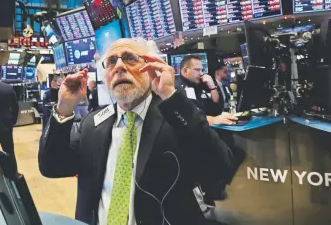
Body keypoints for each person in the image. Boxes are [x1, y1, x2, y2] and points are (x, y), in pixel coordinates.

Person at [38, 38, 233, 225]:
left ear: (153, 68)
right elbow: (52, 166)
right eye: (111, 61)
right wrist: (64, 108)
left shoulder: (176, 118)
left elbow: (220, 168)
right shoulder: (92, 123)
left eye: (130, 58)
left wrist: (170, 95)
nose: (119, 67)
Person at [176, 55, 237, 126]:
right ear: (185, 71)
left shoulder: (200, 84)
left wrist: (212, 87)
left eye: (202, 70)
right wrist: (214, 120)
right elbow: (190, 116)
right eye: (197, 70)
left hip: (211, 128)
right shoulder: (177, 89)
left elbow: (216, 108)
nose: (201, 73)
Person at [0, 68, 19, 171]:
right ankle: (14, 173)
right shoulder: (8, 88)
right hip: (6, 125)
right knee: (9, 151)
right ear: (0, 76)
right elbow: (15, 107)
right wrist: (13, 121)